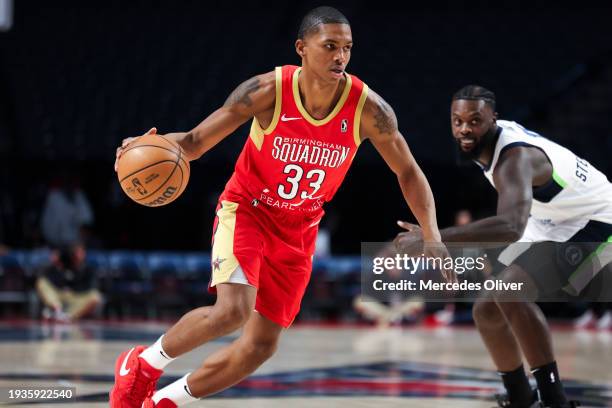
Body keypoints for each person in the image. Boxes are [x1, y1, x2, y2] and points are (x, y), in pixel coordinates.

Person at [110, 7, 450, 408]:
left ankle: (163, 402)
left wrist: (433, 235)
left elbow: (408, 171)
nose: (340, 57)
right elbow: (196, 142)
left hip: (300, 228)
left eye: (347, 48)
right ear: (302, 49)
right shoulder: (267, 90)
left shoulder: (368, 109)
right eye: (330, 47)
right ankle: (142, 365)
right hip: (248, 210)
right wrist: (149, 148)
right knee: (233, 311)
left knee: (259, 347)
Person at [395, 85, 612, 407]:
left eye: (475, 121)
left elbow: (511, 226)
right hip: (553, 219)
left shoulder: (515, 158)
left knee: (510, 291)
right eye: (458, 121)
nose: (465, 129)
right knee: (486, 310)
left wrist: (433, 237)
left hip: (597, 217)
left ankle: (555, 400)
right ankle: (520, 397)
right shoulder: (491, 146)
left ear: (493, 120)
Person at [35, 243, 102, 322]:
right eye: (76, 252)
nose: (78, 255)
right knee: (41, 282)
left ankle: (68, 316)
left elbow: (92, 286)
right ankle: (57, 311)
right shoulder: (62, 265)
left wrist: (73, 290)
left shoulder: (89, 269)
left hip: (76, 296)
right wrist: (58, 267)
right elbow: (54, 282)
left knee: (95, 296)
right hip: (59, 294)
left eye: (81, 252)